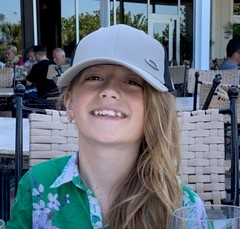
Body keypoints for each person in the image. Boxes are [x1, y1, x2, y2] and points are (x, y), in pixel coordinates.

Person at [7, 25, 204, 229]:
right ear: (70, 103)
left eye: (132, 82)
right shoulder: (36, 185)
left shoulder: (183, 208)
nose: (109, 91)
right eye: (94, 78)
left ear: (155, 111)